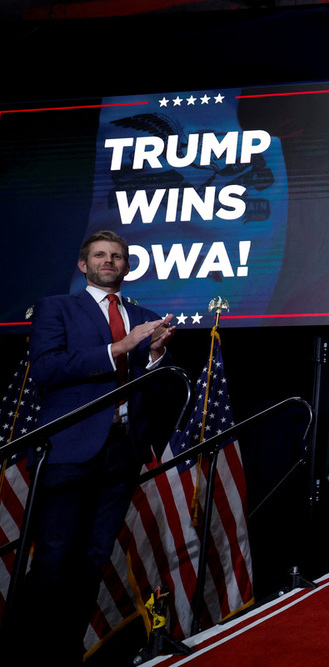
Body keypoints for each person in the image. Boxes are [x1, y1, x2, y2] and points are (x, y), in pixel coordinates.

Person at [7, 230, 175, 663]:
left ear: (127, 266)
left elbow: (153, 393)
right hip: (68, 449)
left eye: (117, 256)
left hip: (122, 452)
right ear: (84, 265)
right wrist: (119, 347)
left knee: (93, 560)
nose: (109, 261)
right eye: (100, 255)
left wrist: (154, 355)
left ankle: (64, 655)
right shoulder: (56, 308)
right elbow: (45, 370)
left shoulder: (145, 316)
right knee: (53, 560)